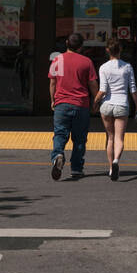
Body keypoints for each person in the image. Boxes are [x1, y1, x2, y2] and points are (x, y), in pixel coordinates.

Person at [49, 33, 98, 181]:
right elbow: (93, 84)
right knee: (79, 139)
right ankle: (76, 168)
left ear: (66, 43)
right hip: (81, 104)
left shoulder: (57, 59)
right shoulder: (86, 62)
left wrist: (53, 100)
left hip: (61, 104)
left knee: (60, 134)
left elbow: (52, 83)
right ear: (81, 46)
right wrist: (96, 102)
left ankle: (58, 155)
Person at [94, 40, 137, 180]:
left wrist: (95, 103)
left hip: (107, 105)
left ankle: (110, 168)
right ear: (120, 50)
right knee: (119, 138)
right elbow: (133, 89)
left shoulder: (103, 67)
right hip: (122, 105)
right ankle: (116, 161)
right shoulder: (127, 67)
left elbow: (102, 90)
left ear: (107, 51)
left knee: (110, 138)